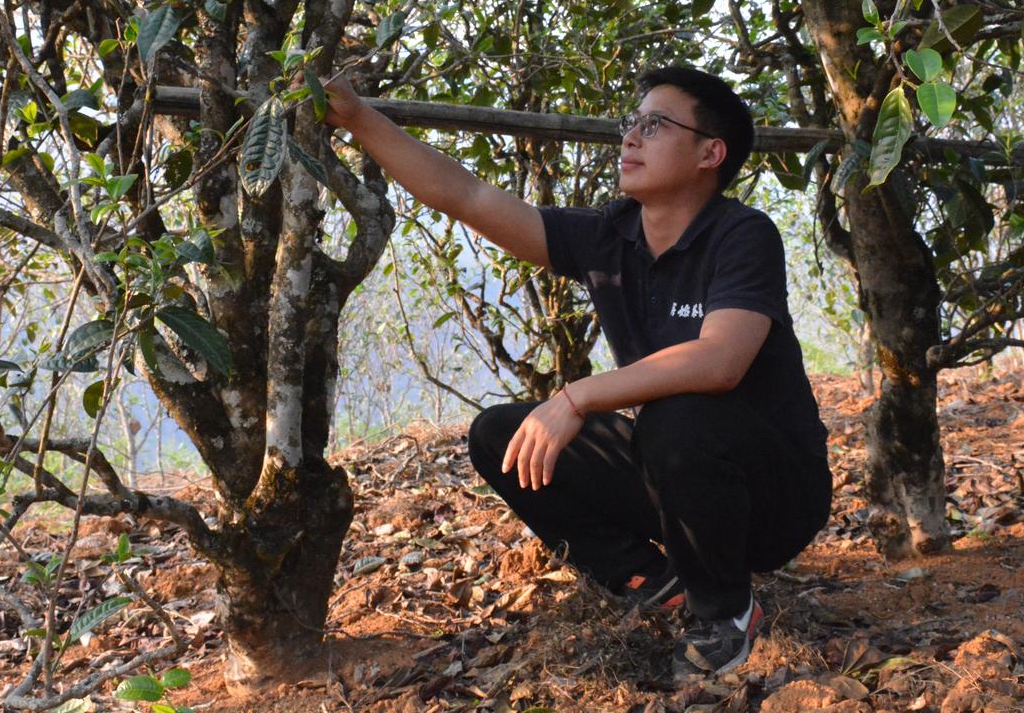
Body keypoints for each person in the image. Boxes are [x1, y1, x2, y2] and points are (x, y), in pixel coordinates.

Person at [322, 66, 831, 681]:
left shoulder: (742, 234)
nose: (631, 139)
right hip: (676, 476)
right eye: (631, 123)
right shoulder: (610, 236)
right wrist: (356, 117)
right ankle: (651, 579)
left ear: (710, 153)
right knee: (499, 435)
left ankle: (724, 613)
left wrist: (574, 398)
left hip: (775, 496)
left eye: (655, 125)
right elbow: (468, 196)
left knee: (678, 413)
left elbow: (720, 361)